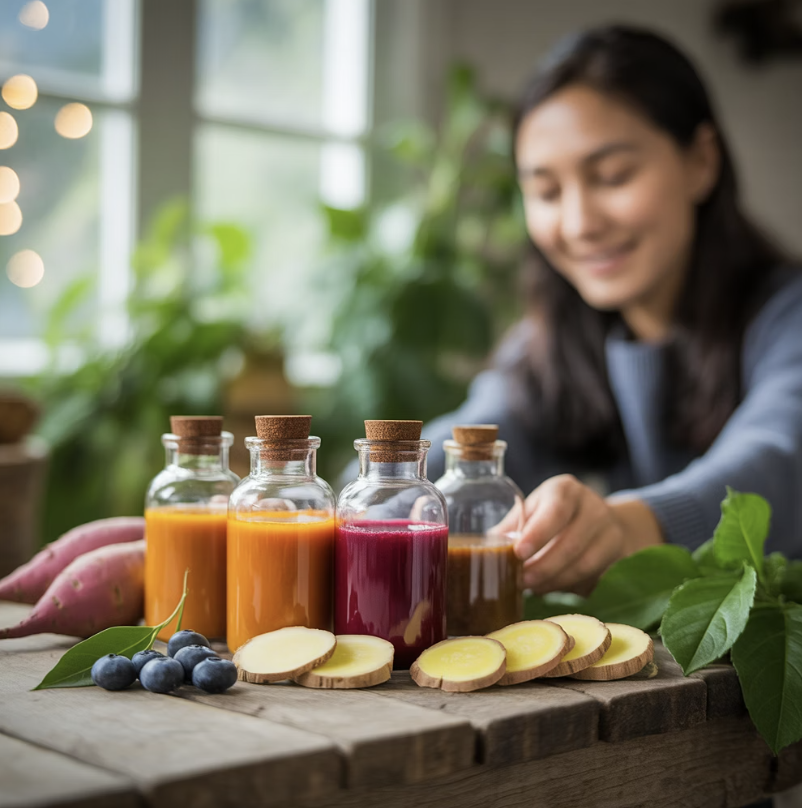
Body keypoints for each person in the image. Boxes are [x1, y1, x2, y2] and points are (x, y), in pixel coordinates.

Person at [422, 25, 802, 596]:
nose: (579, 224)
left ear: (702, 161)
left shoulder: (786, 316)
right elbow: (471, 436)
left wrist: (629, 526)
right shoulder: (549, 342)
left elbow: (778, 456)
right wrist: (385, 485)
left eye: (612, 177)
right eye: (547, 192)